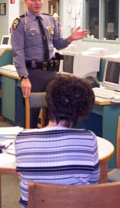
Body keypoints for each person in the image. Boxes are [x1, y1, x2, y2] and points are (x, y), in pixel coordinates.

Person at [15, 75, 100, 208]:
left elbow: (25, 175)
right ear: (83, 109)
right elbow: (93, 182)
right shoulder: (89, 138)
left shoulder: (22, 138)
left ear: (49, 100)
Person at [11, 0, 88, 126]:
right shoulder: (20, 23)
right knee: (31, 116)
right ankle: (30, 143)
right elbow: (18, 52)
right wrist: (24, 77)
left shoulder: (50, 20)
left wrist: (70, 38)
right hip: (33, 74)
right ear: (26, 2)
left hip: (51, 74)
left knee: (53, 115)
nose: (37, 2)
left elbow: (58, 44)